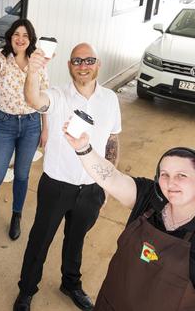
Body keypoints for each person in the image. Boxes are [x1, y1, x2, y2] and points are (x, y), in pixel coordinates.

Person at [63, 133, 195, 310]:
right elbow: (111, 178)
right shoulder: (148, 197)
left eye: (181, 176)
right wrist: (83, 148)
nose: (170, 183)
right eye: (164, 174)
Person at [14, 43, 122, 311]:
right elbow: (33, 99)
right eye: (77, 61)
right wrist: (32, 72)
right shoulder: (58, 96)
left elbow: (113, 140)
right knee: (40, 240)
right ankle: (26, 290)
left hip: (92, 188)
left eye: (89, 61)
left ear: (98, 65)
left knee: (76, 240)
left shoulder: (109, 99)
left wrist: (107, 184)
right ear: (69, 66)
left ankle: (71, 284)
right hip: (57, 184)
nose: (83, 66)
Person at [0, 19, 49, 246]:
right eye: (17, 34)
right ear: (10, 37)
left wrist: (46, 128)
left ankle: (17, 215)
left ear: (31, 39)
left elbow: (44, 97)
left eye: (25, 35)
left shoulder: (39, 62)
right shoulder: (3, 59)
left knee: (22, 176)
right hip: (5, 125)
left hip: (32, 124)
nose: (21, 39)